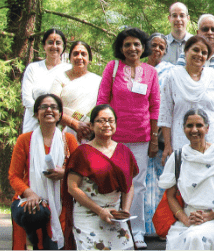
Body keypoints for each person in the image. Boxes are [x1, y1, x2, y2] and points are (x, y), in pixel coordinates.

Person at [96, 27, 160, 246]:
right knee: (113, 182)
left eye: (136, 44)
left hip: (141, 137)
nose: (132, 48)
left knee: (138, 184)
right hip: (113, 138)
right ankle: (115, 228)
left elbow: (155, 106)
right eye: (127, 45)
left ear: (143, 47)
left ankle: (137, 231)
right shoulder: (112, 67)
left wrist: (154, 139)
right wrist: (101, 134)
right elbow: (102, 100)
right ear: (121, 48)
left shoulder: (151, 72)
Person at [159, 109, 214, 250]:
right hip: (189, 219)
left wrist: (210, 215)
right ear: (183, 128)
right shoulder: (179, 157)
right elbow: (170, 196)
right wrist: (185, 219)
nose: (194, 130)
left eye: (199, 125)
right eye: (189, 126)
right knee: (186, 238)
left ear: (207, 128)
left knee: (196, 238)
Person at [63, 104, 138, 250]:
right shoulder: (82, 153)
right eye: (101, 121)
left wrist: (125, 210)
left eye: (110, 120)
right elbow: (72, 187)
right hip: (88, 214)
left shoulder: (124, 151)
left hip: (114, 216)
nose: (107, 124)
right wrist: (99, 211)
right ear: (91, 125)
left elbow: (129, 184)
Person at [9, 94, 79, 250]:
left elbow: (80, 172)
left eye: (54, 107)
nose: (49, 110)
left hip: (61, 202)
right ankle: (33, 240)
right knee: (36, 214)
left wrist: (64, 174)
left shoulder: (68, 140)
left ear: (60, 114)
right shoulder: (24, 140)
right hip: (30, 202)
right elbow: (14, 176)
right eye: (44, 107)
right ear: (36, 114)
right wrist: (30, 194)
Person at [160, 35, 214, 163]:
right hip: (181, 138)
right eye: (195, 50)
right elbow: (165, 112)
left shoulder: (213, 76)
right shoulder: (172, 76)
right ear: (186, 51)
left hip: (212, 139)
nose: (199, 55)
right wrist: (167, 145)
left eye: (204, 53)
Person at [143, 32, 176, 236]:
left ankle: (161, 227)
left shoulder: (170, 71)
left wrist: (157, 137)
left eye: (161, 47)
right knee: (142, 183)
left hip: (162, 135)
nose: (157, 49)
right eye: (154, 45)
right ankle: (143, 228)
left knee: (162, 182)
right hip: (138, 132)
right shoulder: (138, 70)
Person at [22, 29, 72, 133]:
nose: (54, 46)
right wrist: (43, 115)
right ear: (44, 46)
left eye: (58, 43)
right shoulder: (33, 68)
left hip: (58, 127)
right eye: (50, 42)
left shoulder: (69, 70)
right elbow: (27, 99)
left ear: (63, 46)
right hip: (33, 125)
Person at [49, 41, 101, 142]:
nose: (79, 57)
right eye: (76, 53)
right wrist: (75, 124)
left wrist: (92, 126)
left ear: (89, 59)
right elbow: (52, 108)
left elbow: (104, 109)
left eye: (83, 54)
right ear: (70, 57)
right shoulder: (60, 79)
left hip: (90, 133)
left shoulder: (98, 81)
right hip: (63, 131)